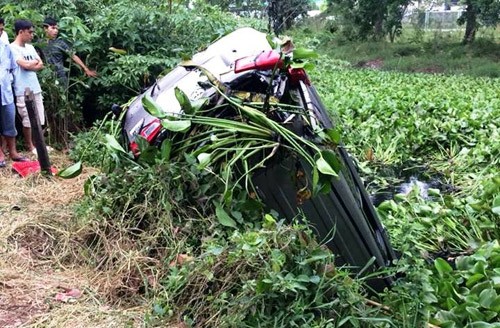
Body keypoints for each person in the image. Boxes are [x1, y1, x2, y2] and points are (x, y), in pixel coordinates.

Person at [10, 19, 45, 153]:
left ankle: (39, 145)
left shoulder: (30, 47)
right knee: (27, 119)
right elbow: (24, 65)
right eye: (29, 32)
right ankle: (29, 146)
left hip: (35, 87)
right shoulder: (12, 48)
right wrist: (32, 64)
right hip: (22, 89)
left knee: (39, 117)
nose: (32, 35)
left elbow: (40, 64)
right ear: (21, 32)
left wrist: (31, 65)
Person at [42, 17, 97, 86]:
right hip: (45, 78)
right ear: (45, 29)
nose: (56, 31)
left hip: (60, 77)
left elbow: (73, 56)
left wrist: (86, 69)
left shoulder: (60, 43)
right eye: (53, 28)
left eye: (57, 28)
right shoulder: (39, 43)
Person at [0, 37, 26, 165]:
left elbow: (11, 68)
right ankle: (0, 154)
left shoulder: (6, 47)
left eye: (1, 29)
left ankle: (13, 152)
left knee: (10, 121)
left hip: (5, 90)